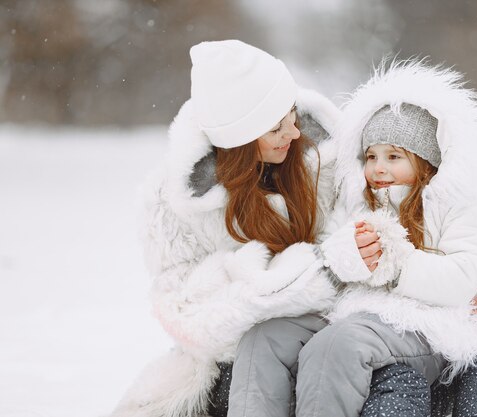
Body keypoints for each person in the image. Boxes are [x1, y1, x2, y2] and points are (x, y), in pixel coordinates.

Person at [227, 60, 477, 417]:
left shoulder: (450, 204)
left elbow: (468, 276)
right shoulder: (356, 202)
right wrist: (346, 257)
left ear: (425, 163)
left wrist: (397, 266)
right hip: (348, 312)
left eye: (394, 156)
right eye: (371, 156)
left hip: (422, 325)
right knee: (266, 338)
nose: (378, 168)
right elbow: (328, 250)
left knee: (338, 345)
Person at [109, 39, 342, 417]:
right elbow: (181, 308)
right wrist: (262, 291)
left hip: (330, 337)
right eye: (276, 128)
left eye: (293, 117)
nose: (295, 134)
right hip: (229, 355)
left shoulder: (328, 161)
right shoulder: (173, 203)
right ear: (241, 141)